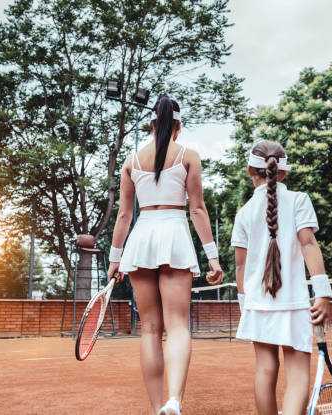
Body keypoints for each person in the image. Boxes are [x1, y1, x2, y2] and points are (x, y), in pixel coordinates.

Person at [107, 95, 223, 415]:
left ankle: (158, 406)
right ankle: (174, 401)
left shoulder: (132, 161)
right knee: (178, 326)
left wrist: (115, 260)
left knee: (149, 329)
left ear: (151, 124)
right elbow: (197, 209)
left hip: (141, 238)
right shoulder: (189, 156)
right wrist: (212, 258)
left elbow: (124, 216)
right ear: (177, 126)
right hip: (174, 235)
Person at [231, 140, 332, 415]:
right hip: (294, 302)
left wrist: (245, 305)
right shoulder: (299, 200)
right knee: (298, 372)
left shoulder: (242, 214)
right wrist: (322, 292)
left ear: (249, 171)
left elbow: (240, 267)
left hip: (256, 304)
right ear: (283, 173)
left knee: (264, 370)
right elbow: (309, 244)